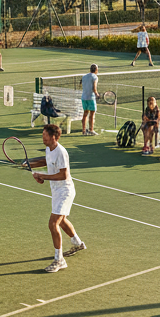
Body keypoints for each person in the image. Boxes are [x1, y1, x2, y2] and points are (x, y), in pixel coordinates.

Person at [27, 124, 86, 273]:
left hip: (65, 192)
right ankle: (78, 243)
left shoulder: (61, 152)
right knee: (62, 220)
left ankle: (59, 260)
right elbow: (46, 160)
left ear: (53, 137)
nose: (43, 137)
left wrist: (43, 176)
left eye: (45, 135)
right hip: (56, 192)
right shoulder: (49, 149)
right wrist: (30, 163)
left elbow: (63, 175)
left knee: (53, 223)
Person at [79, 64, 99, 135]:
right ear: (96, 70)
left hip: (84, 98)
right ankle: (91, 130)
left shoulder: (84, 77)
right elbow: (94, 88)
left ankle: (84, 131)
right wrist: (97, 94)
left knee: (85, 114)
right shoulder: (95, 77)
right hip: (91, 98)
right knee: (92, 114)